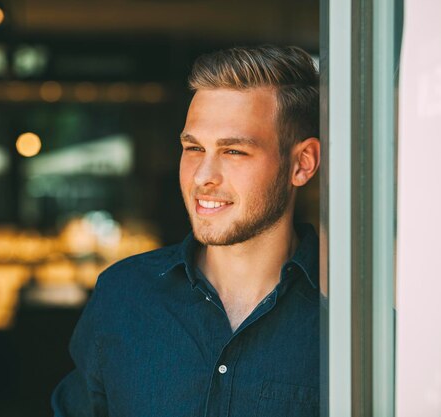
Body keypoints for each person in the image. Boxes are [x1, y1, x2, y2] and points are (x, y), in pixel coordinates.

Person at [52, 45, 321, 417]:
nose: (202, 176)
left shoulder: (349, 314)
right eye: (193, 148)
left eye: (233, 152)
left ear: (302, 164)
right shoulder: (123, 297)